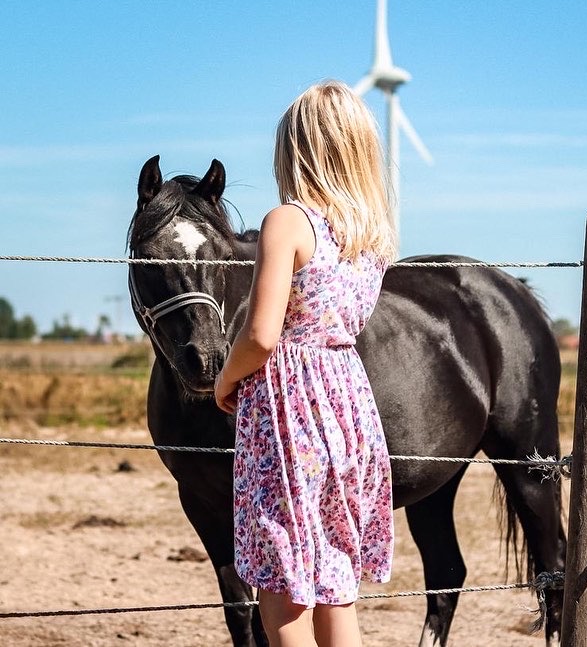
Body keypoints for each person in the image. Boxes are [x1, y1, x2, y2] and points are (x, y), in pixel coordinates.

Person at [214, 80, 395, 647]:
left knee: (285, 587)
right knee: (336, 583)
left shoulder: (289, 221)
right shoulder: (371, 235)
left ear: (297, 149)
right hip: (348, 403)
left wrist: (226, 377)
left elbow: (263, 334)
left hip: (289, 410)